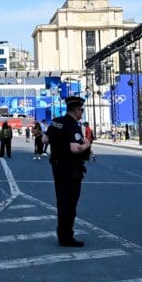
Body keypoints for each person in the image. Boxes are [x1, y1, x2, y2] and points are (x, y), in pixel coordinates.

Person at [46, 95, 92, 247]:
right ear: (76, 110)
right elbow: (75, 148)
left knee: (61, 201)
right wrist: (86, 145)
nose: (82, 113)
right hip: (70, 168)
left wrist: (58, 143)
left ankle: (62, 234)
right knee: (70, 203)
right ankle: (67, 237)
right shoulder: (73, 125)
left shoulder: (56, 121)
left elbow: (45, 139)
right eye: (81, 110)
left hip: (57, 166)